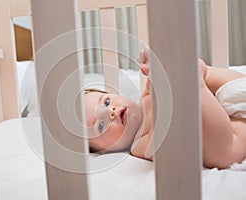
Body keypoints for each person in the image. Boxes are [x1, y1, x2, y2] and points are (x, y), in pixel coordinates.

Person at [85, 50, 246, 169]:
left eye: (106, 102)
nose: (110, 112)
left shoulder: (146, 95)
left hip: (228, 92)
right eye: (100, 125)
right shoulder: (138, 145)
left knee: (207, 73)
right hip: (233, 130)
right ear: (105, 151)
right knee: (224, 155)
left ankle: (195, 74)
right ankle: (195, 83)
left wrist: (155, 66)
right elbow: (161, 142)